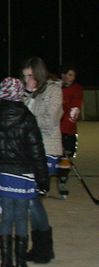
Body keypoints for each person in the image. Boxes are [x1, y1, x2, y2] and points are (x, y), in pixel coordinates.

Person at [0, 77, 49, 267]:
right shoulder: (27, 117)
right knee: (20, 216)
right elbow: (37, 151)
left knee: (6, 216)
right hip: (23, 174)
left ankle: (5, 263)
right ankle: (20, 262)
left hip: (2, 174)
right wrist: (43, 180)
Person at [21, 57, 61, 264]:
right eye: (24, 76)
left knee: (33, 198)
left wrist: (26, 120)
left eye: (30, 76)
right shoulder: (26, 93)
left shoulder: (54, 90)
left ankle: (44, 248)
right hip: (29, 150)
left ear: (39, 74)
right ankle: (39, 247)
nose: (27, 80)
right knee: (31, 199)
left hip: (47, 150)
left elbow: (50, 121)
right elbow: (17, 113)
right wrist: (27, 95)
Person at [57, 64, 83, 199]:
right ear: (63, 75)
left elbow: (74, 111)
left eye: (73, 75)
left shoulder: (77, 89)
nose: (72, 78)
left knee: (66, 158)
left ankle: (62, 181)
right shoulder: (54, 86)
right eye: (69, 75)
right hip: (53, 130)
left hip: (69, 131)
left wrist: (64, 131)